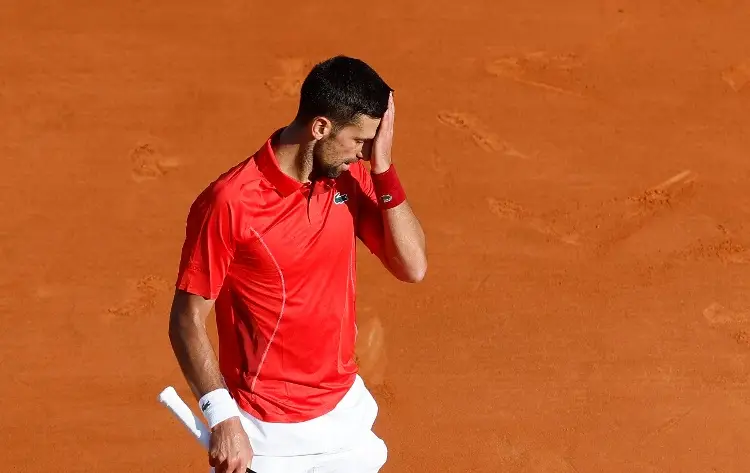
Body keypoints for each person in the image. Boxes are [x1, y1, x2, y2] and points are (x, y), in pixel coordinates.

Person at [167, 55, 427, 473]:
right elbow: (186, 318)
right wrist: (221, 417)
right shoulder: (230, 203)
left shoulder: (348, 178)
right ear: (321, 127)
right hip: (267, 432)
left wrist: (384, 170)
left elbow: (412, 266)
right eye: (360, 141)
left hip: (342, 413)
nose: (364, 154)